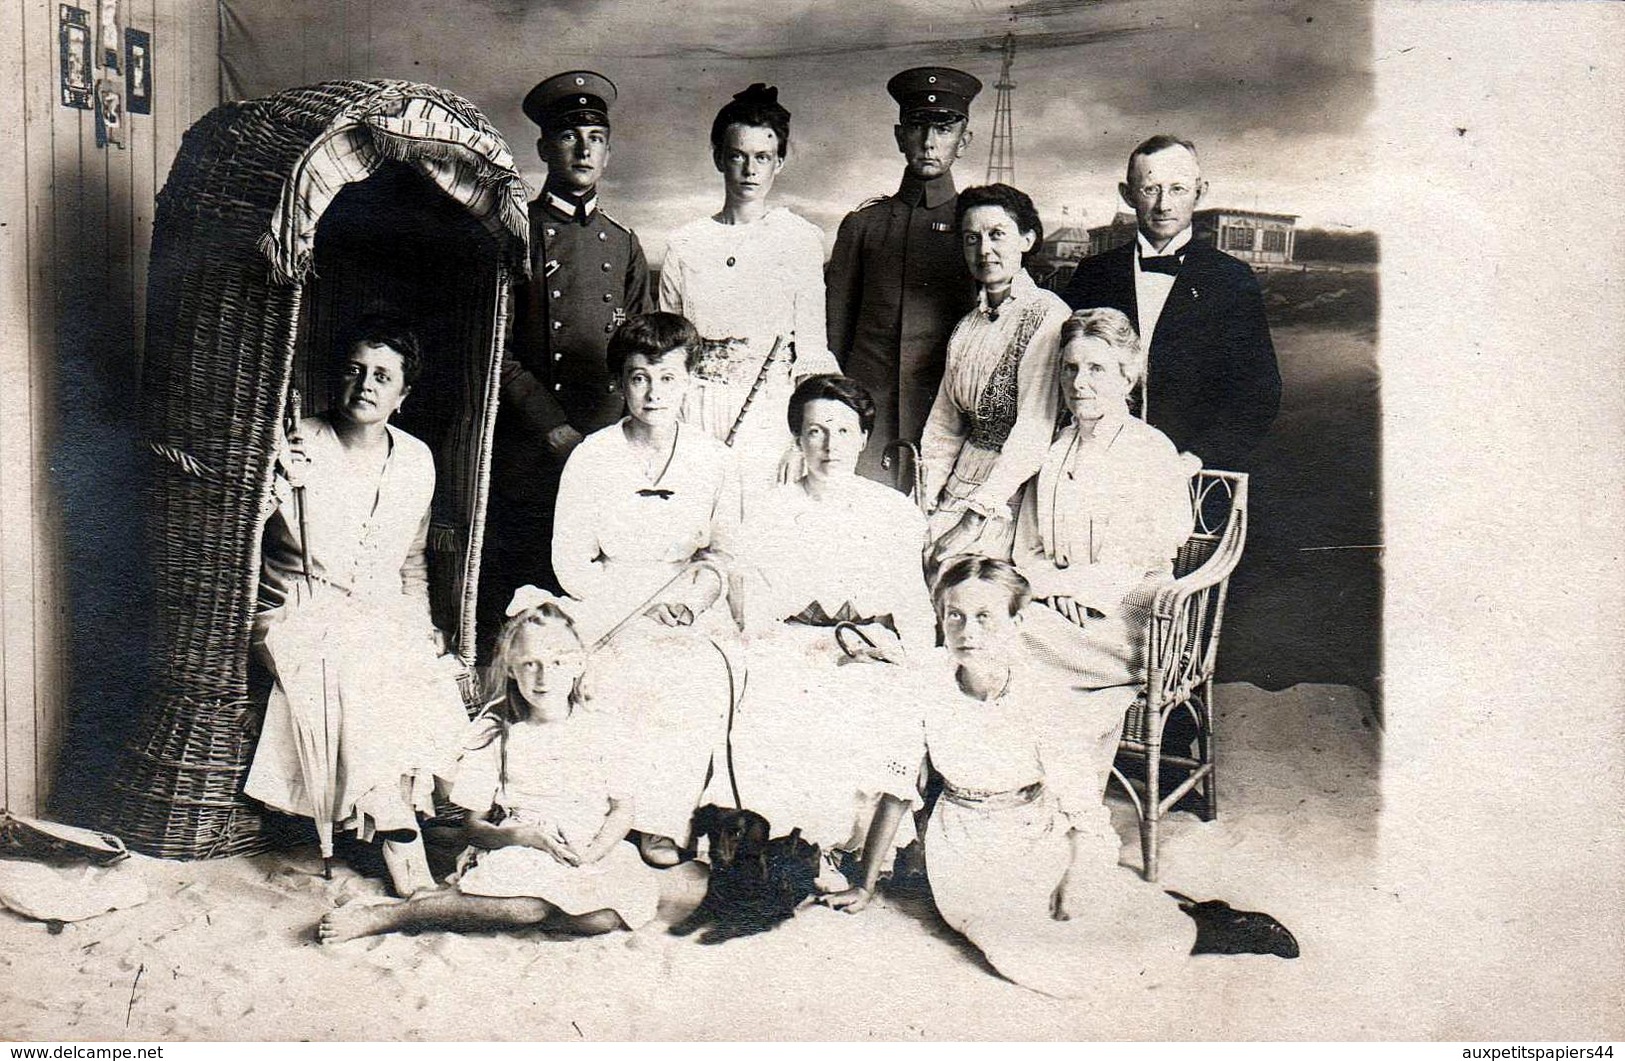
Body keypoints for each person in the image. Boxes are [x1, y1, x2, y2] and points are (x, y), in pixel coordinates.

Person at [246, 317, 469, 898]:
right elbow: (244, 536)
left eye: (382, 375)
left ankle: (399, 811)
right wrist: (269, 487)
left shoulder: (417, 459)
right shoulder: (297, 443)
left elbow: (412, 560)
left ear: (402, 395)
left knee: (420, 670)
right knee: (354, 665)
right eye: (354, 370)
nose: (366, 384)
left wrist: (421, 626)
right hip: (297, 607)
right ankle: (399, 838)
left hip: (379, 611)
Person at [910, 556, 1195, 996]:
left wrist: (1077, 875)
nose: (968, 632)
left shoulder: (1040, 696)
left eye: (985, 617)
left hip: (1033, 828)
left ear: (1016, 620)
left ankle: (1209, 924)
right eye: (956, 616)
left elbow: (1083, 806)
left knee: (1085, 921)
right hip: (959, 839)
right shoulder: (928, 680)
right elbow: (898, 782)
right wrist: (868, 886)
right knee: (1019, 947)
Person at [317, 591, 664, 944]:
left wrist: (592, 853)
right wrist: (523, 836)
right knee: (527, 909)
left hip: (588, 847)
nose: (544, 676)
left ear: (578, 665)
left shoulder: (603, 729)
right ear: (512, 668)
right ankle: (401, 913)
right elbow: (473, 826)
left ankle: (474, 905)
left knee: (602, 919)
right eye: (530, 663)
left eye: (558, 662)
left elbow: (622, 808)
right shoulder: (497, 731)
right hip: (519, 847)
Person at [728, 375, 936, 905]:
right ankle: (804, 845)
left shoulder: (893, 510)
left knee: (879, 696)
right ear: (798, 439)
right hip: (791, 636)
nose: (829, 444)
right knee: (788, 693)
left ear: (864, 437)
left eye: (843, 430)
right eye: (816, 430)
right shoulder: (770, 507)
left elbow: (911, 599)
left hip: (868, 642)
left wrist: (914, 657)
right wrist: (770, 640)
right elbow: (753, 594)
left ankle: (864, 847)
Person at [551, 312, 740, 867]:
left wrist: (693, 600)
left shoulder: (715, 458)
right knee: (611, 674)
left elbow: (724, 553)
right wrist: (624, 606)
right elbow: (569, 559)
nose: (654, 392)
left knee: (696, 676)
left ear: (690, 381)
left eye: (668, 378)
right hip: (608, 596)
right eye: (639, 377)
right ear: (621, 382)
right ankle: (606, 812)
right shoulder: (592, 455)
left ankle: (663, 820)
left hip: (688, 598)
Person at [478, 70, 654, 657]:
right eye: (571, 135)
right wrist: (548, 424)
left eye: (596, 137)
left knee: (600, 576)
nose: (584, 148)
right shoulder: (515, 233)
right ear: (544, 149)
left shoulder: (624, 242)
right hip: (532, 437)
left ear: (608, 151)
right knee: (523, 576)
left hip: (603, 439)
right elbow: (493, 345)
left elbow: (641, 349)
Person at [658, 83, 840, 501]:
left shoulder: (798, 240)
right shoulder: (685, 243)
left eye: (762, 157)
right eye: (738, 156)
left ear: (780, 161)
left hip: (769, 415)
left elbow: (812, 351)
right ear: (719, 157)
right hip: (693, 414)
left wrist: (802, 437)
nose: (749, 170)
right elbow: (669, 351)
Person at [1060, 135, 1281, 473]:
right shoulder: (1094, 274)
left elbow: (1258, 393)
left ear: (1200, 191)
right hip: (1096, 470)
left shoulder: (1231, 279)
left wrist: (1196, 459)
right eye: (1150, 189)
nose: (1164, 204)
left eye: (1177, 189)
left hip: (1192, 474)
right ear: (1128, 194)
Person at [1014, 307, 1196, 694]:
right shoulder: (1055, 449)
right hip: (1056, 605)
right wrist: (1053, 589)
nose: (1079, 382)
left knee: (1000, 636)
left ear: (1126, 377)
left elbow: (1136, 557)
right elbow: (1027, 548)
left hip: (1135, 615)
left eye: (1096, 369)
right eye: (1070, 368)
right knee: (992, 624)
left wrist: (1070, 590)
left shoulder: (1150, 449)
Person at [825, 67, 982, 485]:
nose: (929, 142)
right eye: (917, 127)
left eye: (944, 129)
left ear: (963, 141)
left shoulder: (977, 225)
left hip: (946, 421)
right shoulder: (864, 226)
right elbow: (835, 335)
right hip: (868, 421)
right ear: (900, 137)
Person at [919, 183, 1071, 565]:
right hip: (961, 478)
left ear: (1027, 238)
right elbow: (944, 424)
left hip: (1011, 492)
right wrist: (927, 496)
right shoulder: (967, 325)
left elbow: (1034, 430)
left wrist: (972, 520)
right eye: (972, 239)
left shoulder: (1047, 315)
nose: (984, 250)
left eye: (997, 235)